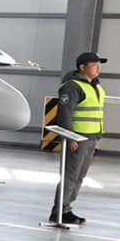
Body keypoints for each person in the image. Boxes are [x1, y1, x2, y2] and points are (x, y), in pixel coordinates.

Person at [48, 50, 105, 225]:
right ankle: (59, 211)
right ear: (82, 67)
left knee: (79, 176)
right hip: (77, 139)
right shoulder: (72, 87)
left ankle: (66, 208)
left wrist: (97, 136)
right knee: (70, 175)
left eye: (99, 65)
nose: (98, 68)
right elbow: (65, 114)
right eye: (94, 65)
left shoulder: (96, 86)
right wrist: (71, 138)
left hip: (91, 138)